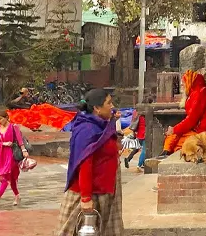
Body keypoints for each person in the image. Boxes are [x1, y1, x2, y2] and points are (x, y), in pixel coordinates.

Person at [58, 88, 123, 236]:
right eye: (109, 103)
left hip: (105, 191)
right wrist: (86, 198)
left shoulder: (100, 125)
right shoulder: (86, 130)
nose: (112, 106)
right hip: (89, 193)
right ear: (97, 108)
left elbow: (105, 139)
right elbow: (85, 165)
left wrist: (113, 121)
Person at [161, 69, 206, 156]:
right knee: (174, 136)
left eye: (184, 83)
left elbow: (191, 120)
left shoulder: (199, 94)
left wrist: (174, 129)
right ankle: (165, 153)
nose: (182, 86)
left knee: (178, 139)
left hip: (205, 130)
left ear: (190, 83)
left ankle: (167, 154)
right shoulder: (196, 93)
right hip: (199, 128)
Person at [0, 109, 26, 207]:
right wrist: (4, 143)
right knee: (12, 179)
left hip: (12, 155)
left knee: (5, 177)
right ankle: (17, 196)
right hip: (2, 155)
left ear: (6, 118)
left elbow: (20, 140)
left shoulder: (13, 127)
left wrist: (24, 150)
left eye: (1, 119)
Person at [121, 107, 147, 172]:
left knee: (137, 148)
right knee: (144, 150)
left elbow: (135, 124)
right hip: (145, 134)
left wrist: (134, 133)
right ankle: (139, 165)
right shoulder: (146, 116)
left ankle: (128, 159)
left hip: (139, 134)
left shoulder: (137, 114)